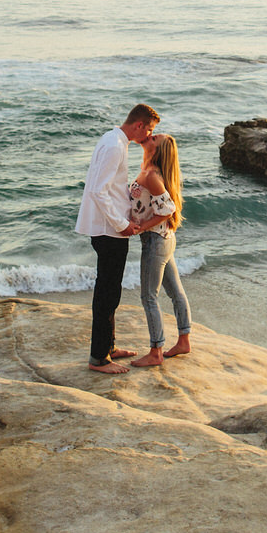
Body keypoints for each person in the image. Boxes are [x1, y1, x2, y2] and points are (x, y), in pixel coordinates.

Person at [75, 103, 160, 374]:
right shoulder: (115, 146)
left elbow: (108, 187)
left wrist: (129, 198)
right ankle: (98, 358)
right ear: (138, 125)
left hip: (107, 228)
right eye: (148, 129)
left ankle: (108, 347)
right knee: (107, 294)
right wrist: (122, 224)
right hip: (107, 230)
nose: (148, 136)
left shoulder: (113, 139)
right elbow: (99, 192)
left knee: (110, 292)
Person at [127, 132, 192, 368]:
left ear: (158, 150)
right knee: (175, 291)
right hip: (164, 239)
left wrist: (139, 228)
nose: (150, 137)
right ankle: (184, 340)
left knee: (148, 296)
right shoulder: (148, 169)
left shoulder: (152, 174)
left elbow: (167, 209)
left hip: (155, 241)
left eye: (155, 139)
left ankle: (156, 351)